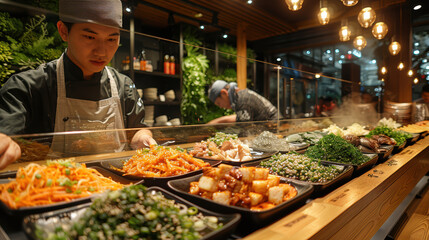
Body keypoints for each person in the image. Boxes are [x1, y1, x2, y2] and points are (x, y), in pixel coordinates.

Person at [0, 0, 156, 170]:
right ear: (63, 31)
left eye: (112, 39)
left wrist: (142, 137)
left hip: (116, 187)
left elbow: (138, 130)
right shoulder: (27, 87)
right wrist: (7, 142)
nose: (102, 51)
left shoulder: (124, 86)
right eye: (90, 37)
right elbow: (5, 135)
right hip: (55, 192)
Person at [207, 80, 279, 124]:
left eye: (219, 103)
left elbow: (245, 130)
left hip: (275, 128)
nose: (221, 107)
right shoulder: (240, 96)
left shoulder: (242, 101)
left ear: (224, 93)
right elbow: (238, 119)